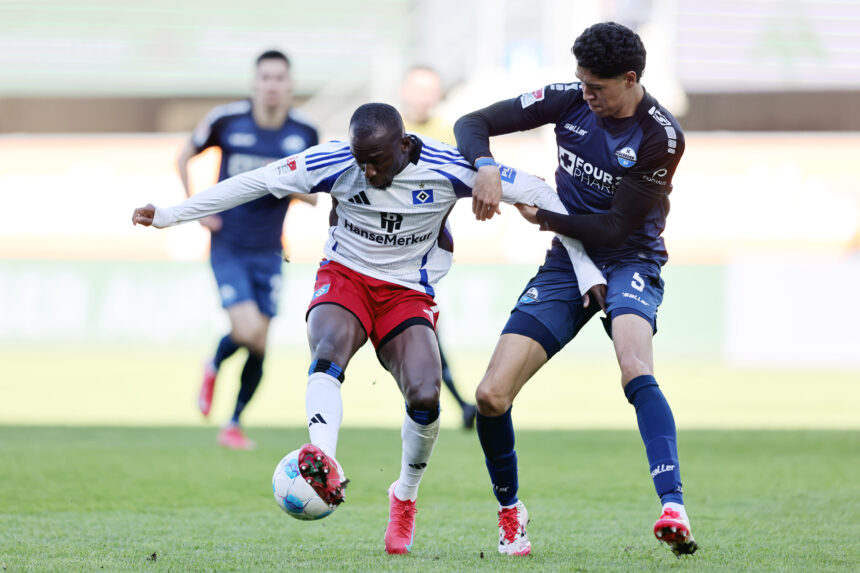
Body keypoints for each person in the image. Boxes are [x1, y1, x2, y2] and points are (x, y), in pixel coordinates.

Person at [133, 102, 605, 555]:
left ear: (403, 144)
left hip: (407, 293)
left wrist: (586, 272)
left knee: (425, 394)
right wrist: (172, 215)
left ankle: (404, 496)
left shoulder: (448, 167)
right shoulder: (336, 160)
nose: (370, 174)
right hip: (346, 277)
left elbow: (542, 192)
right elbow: (255, 181)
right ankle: (323, 461)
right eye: (362, 163)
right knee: (330, 347)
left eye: (378, 162)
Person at [454, 22, 696, 557]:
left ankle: (673, 505)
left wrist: (542, 217)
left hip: (630, 257)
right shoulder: (569, 100)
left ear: (630, 79)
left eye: (597, 88)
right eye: (581, 83)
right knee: (491, 395)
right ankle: (510, 513)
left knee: (635, 366)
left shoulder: (660, 136)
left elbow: (614, 227)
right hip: (567, 261)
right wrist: (486, 164)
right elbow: (472, 121)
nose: (586, 95)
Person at [176, 49, 319, 450]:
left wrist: (284, 185)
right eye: (265, 78)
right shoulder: (227, 120)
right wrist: (196, 209)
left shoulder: (304, 133)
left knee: (259, 343)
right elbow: (184, 156)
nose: (272, 85)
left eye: (279, 79)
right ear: (255, 83)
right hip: (229, 245)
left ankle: (234, 422)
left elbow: (313, 191)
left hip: (270, 249)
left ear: (289, 86)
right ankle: (214, 363)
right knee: (247, 330)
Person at [399, 64, 478, 429]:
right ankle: (453, 402)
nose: (423, 97)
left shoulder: (448, 133)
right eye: (417, 88)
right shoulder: (387, 128)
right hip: (381, 247)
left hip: (423, 251)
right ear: (404, 91)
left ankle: (441, 403)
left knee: (423, 331)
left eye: (430, 89)